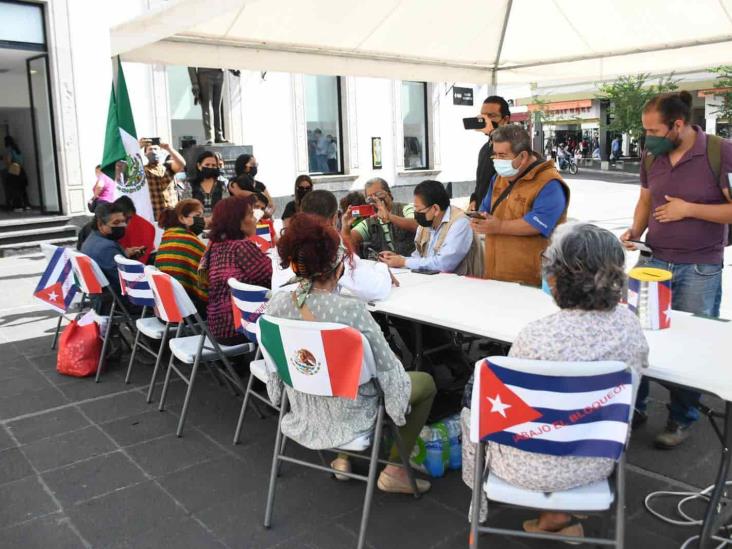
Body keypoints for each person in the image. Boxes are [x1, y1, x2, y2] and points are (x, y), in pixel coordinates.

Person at [461, 223, 649, 536]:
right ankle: (557, 515)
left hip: (520, 467)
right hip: (596, 462)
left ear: (556, 278)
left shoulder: (536, 337)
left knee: (474, 399)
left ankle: (480, 513)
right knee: (571, 413)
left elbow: (511, 411)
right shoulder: (630, 327)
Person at [265, 213, 436, 493]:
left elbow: (275, 371)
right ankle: (395, 469)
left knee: (335, 373)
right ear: (339, 265)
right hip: (351, 413)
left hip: (304, 405)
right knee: (424, 383)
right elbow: (390, 371)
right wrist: (397, 406)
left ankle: (343, 459)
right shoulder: (350, 310)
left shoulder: (276, 305)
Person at [621, 90, 732, 448]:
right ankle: (635, 408)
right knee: (637, 336)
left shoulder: (720, 152)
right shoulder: (652, 156)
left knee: (691, 342)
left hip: (699, 266)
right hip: (653, 260)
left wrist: (690, 210)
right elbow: (645, 199)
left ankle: (682, 417)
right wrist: (635, 232)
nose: (647, 138)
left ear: (679, 125)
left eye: (654, 130)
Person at [471, 125, 569, 287]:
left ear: (523, 156)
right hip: (495, 275)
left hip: (532, 280)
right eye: (495, 155)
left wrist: (499, 226)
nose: (497, 160)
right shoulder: (498, 178)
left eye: (502, 155)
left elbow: (538, 224)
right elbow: (485, 209)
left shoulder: (550, 183)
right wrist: (478, 220)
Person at [292, 189, 393, 301]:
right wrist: (382, 268)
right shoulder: (332, 251)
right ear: (335, 218)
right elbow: (376, 289)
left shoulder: (285, 245)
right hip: (323, 312)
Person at [200, 196, 272, 345]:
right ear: (237, 221)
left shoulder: (216, 244)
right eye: (251, 215)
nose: (254, 219)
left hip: (217, 326)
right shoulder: (241, 247)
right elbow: (272, 276)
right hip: (239, 328)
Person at [379, 180, 477, 275]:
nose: (416, 213)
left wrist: (404, 261)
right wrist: (397, 259)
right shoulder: (426, 224)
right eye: (415, 208)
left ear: (435, 209)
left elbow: (444, 264)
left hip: (461, 286)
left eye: (419, 209)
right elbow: (418, 258)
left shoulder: (460, 223)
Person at [80, 202, 146, 313]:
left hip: (102, 298)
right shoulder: (107, 248)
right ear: (100, 224)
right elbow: (129, 282)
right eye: (116, 222)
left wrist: (125, 255)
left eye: (123, 221)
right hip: (118, 302)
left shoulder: (91, 240)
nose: (123, 226)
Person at [342, 178, 418, 259]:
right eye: (370, 198)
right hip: (385, 268)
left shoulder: (405, 208)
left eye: (378, 194)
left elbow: (417, 225)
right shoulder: (370, 222)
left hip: (411, 265)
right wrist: (345, 228)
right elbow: (350, 241)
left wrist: (390, 217)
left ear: (389, 193)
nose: (375, 199)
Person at [156, 199, 208, 313]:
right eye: (197, 215)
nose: (202, 220)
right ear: (181, 218)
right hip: (185, 311)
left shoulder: (169, 236)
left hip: (166, 309)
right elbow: (207, 278)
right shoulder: (188, 241)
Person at [468, 96, 511, 212]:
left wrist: (492, 132)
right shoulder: (484, 149)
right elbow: (481, 182)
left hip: (502, 212)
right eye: (483, 116)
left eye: (491, 116)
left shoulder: (514, 146)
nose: (486, 120)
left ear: (505, 119)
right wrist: (474, 199)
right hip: (482, 212)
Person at [179, 151, 229, 222]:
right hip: (195, 226)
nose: (210, 167)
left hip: (218, 225)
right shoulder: (190, 185)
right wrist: (202, 220)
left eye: (213, 165)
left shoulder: (222, 185)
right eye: (207, 165)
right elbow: (185, 208)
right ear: (199, 166)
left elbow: (227, 207)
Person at [142, 139, 186, 220]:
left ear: (161, 152)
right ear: (145, 153)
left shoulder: (168, 167)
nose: (153, 151)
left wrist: (168, 148)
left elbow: (182, 164)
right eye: (150, 149)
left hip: (172, 214)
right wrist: (138, 147)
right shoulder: (142, 170)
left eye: (155, 149)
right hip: (154, 215)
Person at [4, 135, 30, 212]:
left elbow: (8, 161)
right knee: (22, 188)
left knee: (15, 188)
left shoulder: (9, 150)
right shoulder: (17, 148)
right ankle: (26, 205)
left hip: (14, 170)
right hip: (21, 170)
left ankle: (18, 206)